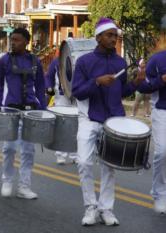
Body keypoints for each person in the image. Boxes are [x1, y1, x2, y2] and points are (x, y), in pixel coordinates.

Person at [72, 18, 145, 226]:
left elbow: (121, 92)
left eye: (115, 35)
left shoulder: (120, 62)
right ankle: (90, 207)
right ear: (98, 37)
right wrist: (96, 82)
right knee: (84, 162)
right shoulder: (85, 62)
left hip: (113, 120)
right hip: (89, 117)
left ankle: (106, 209)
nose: (114, 39)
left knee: (109, 166)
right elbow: (77, 92)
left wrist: (135, 84)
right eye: (110, 35)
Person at [0, 28, 46, 199]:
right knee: (9, 148)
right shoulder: (4, 60)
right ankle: (7, 180)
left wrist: (43, 110)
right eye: (11, 39)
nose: (12, 43)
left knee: (28, 150)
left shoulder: (35, 61)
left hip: (30, 109)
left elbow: (41, 87)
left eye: (17, 40)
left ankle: (24, 186)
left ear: (26, 42)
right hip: (10, 110)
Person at [137, 50, 166, 214]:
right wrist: (161, 80)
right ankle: (159, 193)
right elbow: (143, 87)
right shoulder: (157, 59)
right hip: (162, 110)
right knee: (162, 152)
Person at [45, 57, 77, 165]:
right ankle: (60, 154)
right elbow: (49, 76)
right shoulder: (56, 61)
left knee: (76, 125)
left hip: (77, 96)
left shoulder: (79, 59)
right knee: (62, 125)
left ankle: (75, 154)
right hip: (62, 96)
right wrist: (49, 87)